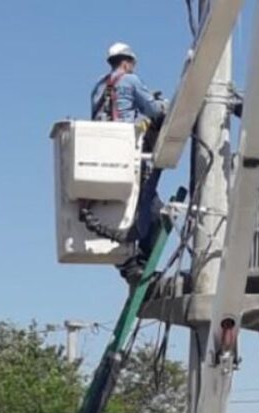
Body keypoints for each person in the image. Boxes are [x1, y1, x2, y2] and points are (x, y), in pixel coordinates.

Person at [90, 43, 169, 283]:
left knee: (119, 213)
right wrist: (159, 107)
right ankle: (141, 264)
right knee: (155, 213)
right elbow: (155, 111)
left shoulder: (98, 88)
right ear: (127, 62)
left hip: (101, 158)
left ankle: (128, 265)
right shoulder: (130, 80)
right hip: (128, 155)